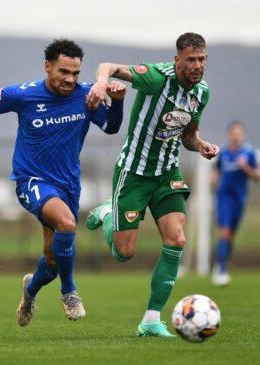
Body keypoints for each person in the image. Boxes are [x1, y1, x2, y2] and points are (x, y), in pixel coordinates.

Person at [0, 39, 126, 327]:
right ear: (47, 66)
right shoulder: (23, 95)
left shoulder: (86, 95)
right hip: (31, 181)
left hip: (68, 186)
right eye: (64, 72)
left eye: (75, 73)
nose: (70, 79)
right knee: (67, 224)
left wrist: (119, 102)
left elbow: (111, 127)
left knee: (51, 262)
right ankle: (69, 292)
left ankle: (30, 290)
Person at [85, 32, 219, 337]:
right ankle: (108, 213)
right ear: (177, 60)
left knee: (177, 240)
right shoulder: (157, 78)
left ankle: (150, 319)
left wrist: (201, 146)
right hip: (133, 173)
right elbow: (108, 65)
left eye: (201, 59)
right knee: (124, 253)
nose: (197, 65)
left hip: (166, 174)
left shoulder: (202, 92)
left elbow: (188, 136)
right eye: (190, 60)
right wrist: (100, 84)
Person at [211, 121, 260, 286]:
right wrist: (213, 179)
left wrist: (245, 167)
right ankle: (222, 270)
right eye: (233, 132)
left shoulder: (249, 152)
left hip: (240, 198)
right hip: (224, 196)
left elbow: (258, 177)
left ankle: (222, 262)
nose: (236, 135)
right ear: (229, 134)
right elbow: (217, 170)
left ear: (242, 135)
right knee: (224, 231)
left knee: (231, 235)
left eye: (239, 133)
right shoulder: (223, 152)